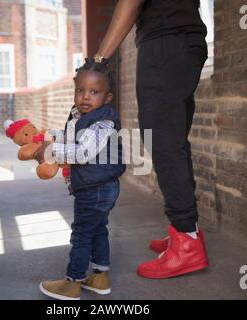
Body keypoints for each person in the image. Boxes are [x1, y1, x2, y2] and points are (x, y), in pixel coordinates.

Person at [92, 0, 210, 279]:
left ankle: (187, 243)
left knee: (164, 142)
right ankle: (187, 232)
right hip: (186, 41)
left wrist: (99, 60)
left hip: (165, 44)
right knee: (173, 140)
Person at [35, 58, 126, 300]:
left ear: (107, 98)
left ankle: (72, 282)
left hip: (97, 188)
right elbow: (71, 138)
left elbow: (84, 152)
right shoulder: (79, 114)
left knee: (82, 233)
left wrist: (50, 151)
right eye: (80, 90)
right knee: (97, 229)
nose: (85, 97)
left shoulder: (104, 122)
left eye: (94, 92)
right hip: (94, 186)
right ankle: (99, 276)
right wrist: (50, 138)